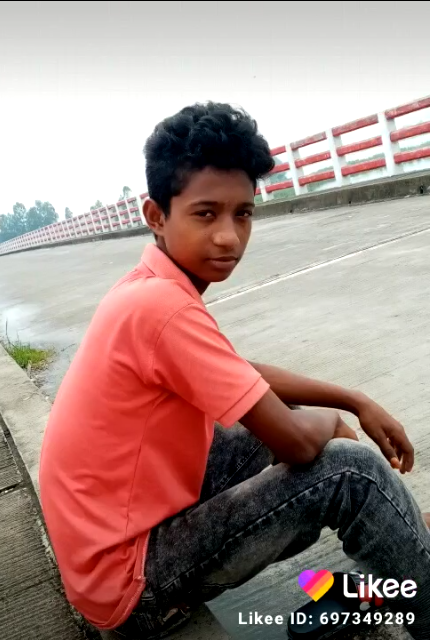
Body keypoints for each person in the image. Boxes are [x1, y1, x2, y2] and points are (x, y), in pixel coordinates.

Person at [39, 102, 430, 640]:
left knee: (282, 418)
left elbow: (239, 373)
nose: (229, 237)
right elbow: (297, 445)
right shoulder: (160, 306)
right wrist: (330, 422)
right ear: (156, 215)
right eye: (206, 214)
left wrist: (351, 400)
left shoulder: (150, 286)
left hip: (112, 543)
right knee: (348, 470)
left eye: (242, 214)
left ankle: (407, 547)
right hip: (130, 582)